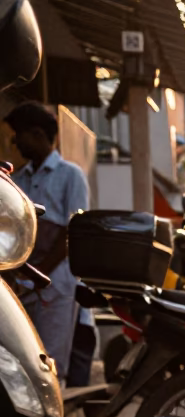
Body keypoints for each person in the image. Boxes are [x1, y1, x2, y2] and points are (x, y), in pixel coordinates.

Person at [4, 102, 90, 385]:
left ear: (38, 134)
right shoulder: (18, 179)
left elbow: (72, 232)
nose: (14, 143)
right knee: (21, 362)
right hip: (23, 283)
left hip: (55, 283)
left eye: (19, 136)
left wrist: (37, 274)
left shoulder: (70, 175)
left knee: (50, 365)